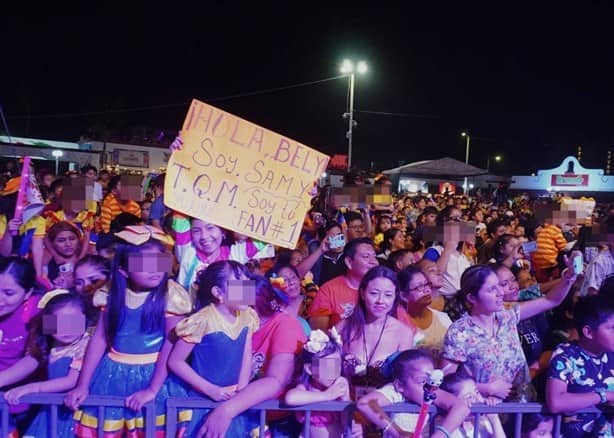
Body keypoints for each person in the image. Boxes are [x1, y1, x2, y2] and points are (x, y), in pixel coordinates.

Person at [64, 229, 192, 436]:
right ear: (123, 270)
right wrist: (83, 385)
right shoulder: (111, 295)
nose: (154, 270)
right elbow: (100, 339)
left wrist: (152, 389)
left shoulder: (171, 296)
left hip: (155, 375)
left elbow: (171, 344)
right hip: (111, 375)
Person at [441, 254, 580, 403]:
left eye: (499, 286)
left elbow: (550, 300)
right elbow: (446, 381)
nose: (500, 293)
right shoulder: (460, 332)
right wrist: (488, 388)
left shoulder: (507, 316)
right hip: (484, 412)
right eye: (492, 289)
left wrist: (569, 277)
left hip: (522, 404)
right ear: (472, 298)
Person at [197, 277, 306, 437]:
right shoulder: (229, 325)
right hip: (240, 415)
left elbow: (276, 380)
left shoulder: (285, 325)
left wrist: (227, 410)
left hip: (276, 421)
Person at [169, 261, 259, 437]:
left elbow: (246, 355)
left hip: (232, 399)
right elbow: (175, 362)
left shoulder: (249, 317)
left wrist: (241, 392)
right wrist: (211, 390)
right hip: (201, 400)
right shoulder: (202, 320)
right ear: (218, 293)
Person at [5, 291, 90, 437]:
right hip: (50, 411)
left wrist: (30, 388)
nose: (66, 328)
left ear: (86, 320)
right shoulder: (52, 346)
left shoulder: (85, 345)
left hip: (72, 414)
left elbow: (71, 381)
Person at [357, 349, 470, 437]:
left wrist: (440, 435)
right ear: (400, 385)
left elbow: (461, 407)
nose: (429, 385)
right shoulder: (395, 391)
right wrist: (398, 432)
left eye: (431, 379)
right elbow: (364, 403)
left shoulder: (431, 390)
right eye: (421, 381)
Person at [339, 266, 414, 396]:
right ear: (362, 293)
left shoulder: (403, 333)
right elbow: (324, 372)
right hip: (345, 404)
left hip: (381, 407)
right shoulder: (344, 326)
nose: (380, 301)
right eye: (374, 293)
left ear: (395, 296)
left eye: (388, 295)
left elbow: (404, 379)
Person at [546, 294, 614, 437]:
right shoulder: (566, 355)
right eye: (612, 328)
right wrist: (604, 396)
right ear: (588, 332)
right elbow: (555, 402)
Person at [285, 328, 351, 438]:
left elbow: (346, 423)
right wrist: (327, 395)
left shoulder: (338, 386)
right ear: (310, 369)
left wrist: (345, 399)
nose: (333, 371)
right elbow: (290, 398)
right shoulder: (305, 388)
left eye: (337, 365)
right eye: (327, 365)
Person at [0, 257, 41, 433]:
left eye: (8, 293)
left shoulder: (42, 307)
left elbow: (38, 356)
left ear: (27, 293)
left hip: (29, 403)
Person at [308, 237, 379, 330]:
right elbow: (319, 336)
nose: (374, 262)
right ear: (349, 262)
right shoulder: (329, 290)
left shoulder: (382, 288)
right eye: (366, 256)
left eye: (374, 257)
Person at [396, 266, 451, 360]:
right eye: (419, 287)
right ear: (404, 296)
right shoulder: (398, 324)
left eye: (427, 284)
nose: (427, 290)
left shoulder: (442, 318)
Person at [440, 372, 505, 437]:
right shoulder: (447, 428)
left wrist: (494, 419)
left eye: (477, 392)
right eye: (469, 397)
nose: (478, 398)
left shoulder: (483, 422)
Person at [175, 218, 230, 293]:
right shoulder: (187, 251)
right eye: (196, 231)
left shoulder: (236, 254)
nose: (204, 236)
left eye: (210, 228)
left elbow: (243, 300)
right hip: (184, 303)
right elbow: (179, 214)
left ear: (223, 231)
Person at [297, 223, 346, 287]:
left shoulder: (348, 256)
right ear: (324, 240)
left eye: (339, 236)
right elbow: (297, 274)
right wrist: (320, 250)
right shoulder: (317, 262)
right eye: (333, 237)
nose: (338, 240)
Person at [44, 221, 83, 289]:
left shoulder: (88, 262)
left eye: (72, 239)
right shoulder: (46, 269)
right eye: (61, 240)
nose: (68, 244)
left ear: (78, 240)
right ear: (52, 243)